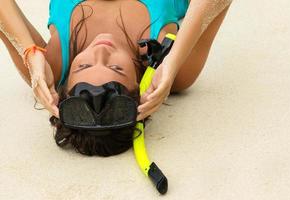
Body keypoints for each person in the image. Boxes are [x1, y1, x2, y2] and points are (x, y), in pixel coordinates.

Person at [0, 0, 232, 156]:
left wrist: (28, 51)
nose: (101, 49)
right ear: (139, 86)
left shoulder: (49, 66)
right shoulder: (173, 70)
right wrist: (174, 59)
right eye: (115, 67)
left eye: (84, 64)